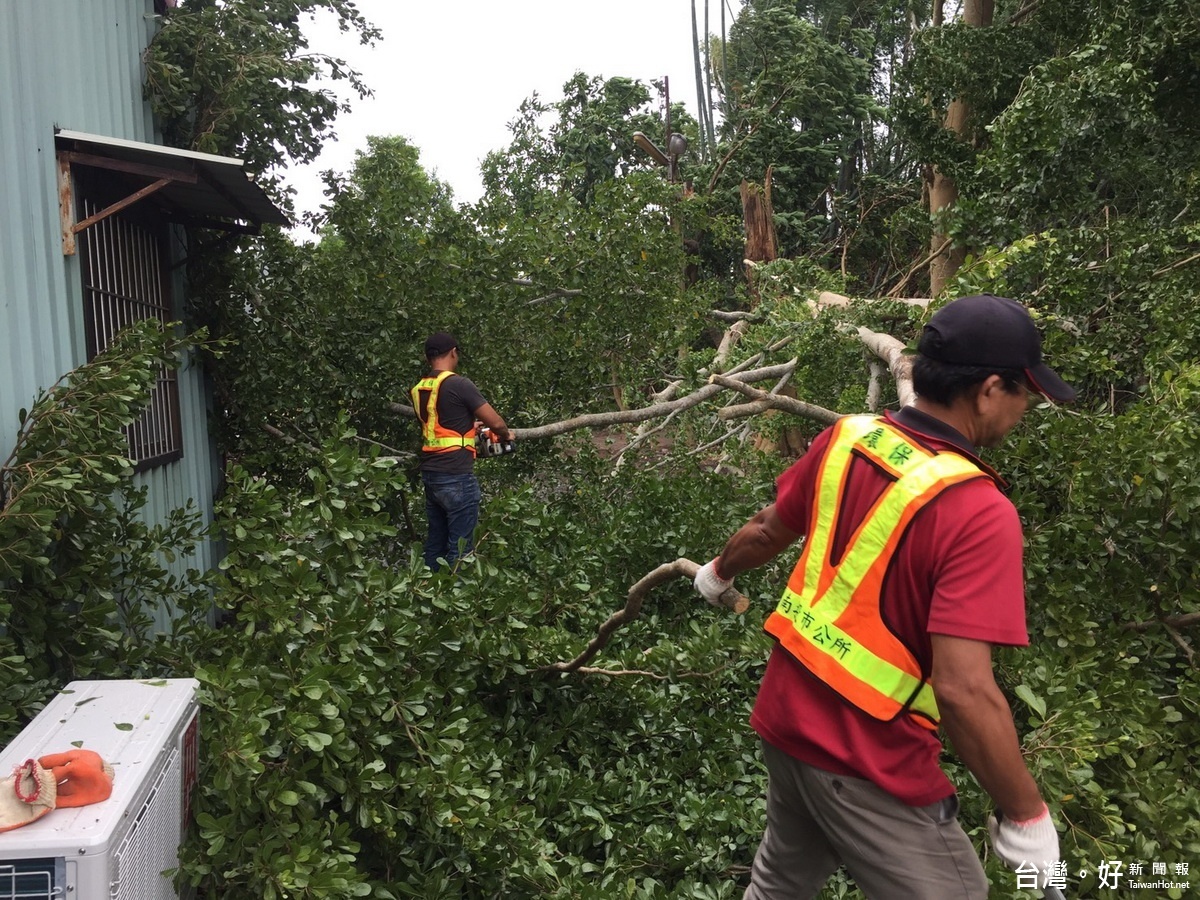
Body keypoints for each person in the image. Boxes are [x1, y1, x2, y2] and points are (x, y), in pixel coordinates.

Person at [693, 294, 1074, 899]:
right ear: (988, 390)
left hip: (786, 719)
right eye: (1024, 392)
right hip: (866, 756)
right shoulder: (979, 511)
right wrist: (1026, 815)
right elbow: (964, 689)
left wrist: (716, 572)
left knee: (777, 886)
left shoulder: (847, 438)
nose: (1024, 408)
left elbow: (767, 530)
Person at [410, 332, 511, 571]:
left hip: (432, 475)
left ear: (427, 358)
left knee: (435, 545)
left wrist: (467, 427)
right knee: (461, 549)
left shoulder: (419, 389)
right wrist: (506, 435)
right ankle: (456, 600)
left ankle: (428, 595)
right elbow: (496, 423)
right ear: (453, 352)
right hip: (456, 476)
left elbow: (439, 425)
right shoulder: (458, 383)